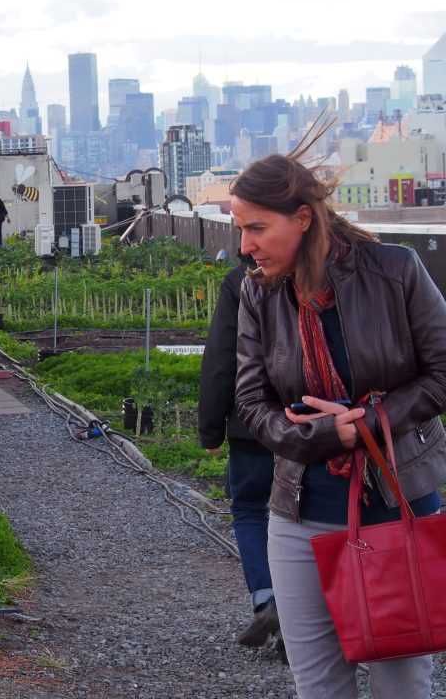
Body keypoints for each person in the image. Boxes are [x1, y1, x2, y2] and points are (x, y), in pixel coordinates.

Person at [234, 149, 446, 698]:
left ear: (302, 219)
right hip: (299, 514)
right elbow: (252, 403)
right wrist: (330, 434)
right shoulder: (258, 292)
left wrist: (371, 421)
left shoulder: (394, 270)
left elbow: (442, 371)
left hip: (398, 507)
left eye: (257, 228)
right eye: (240, 229)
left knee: (403, 685)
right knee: (321, 687)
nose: (245, 246)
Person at [199, 261, 279, 650]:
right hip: (314, 423)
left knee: (249, 509)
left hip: (252, 422)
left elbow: (222, 355)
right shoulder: (323, 268)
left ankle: (266, 597)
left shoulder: (241, 278)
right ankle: (306, 613)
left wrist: (211, 427)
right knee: (309, 515)